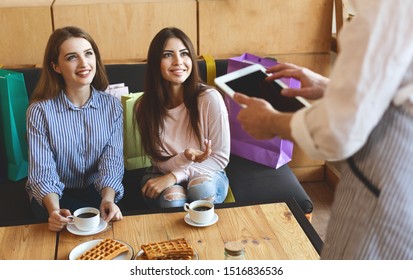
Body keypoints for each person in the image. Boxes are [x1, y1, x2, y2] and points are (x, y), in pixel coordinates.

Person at [233, 0, 413, 259]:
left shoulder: (387, 8)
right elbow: (390, 90)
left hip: (385, 195)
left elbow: (339, 130)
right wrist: (330, 86)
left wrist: (271, 122)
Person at [26, 26, 124, 232]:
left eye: (88, 54)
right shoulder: (39, 111)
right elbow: (42, 171)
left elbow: (112, 161)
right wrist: (54, 210)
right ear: (56, 66)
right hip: (54, 195)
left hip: (97, 191)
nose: (84, 63)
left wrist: (108, 198)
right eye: (72, 57)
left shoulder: (112, 106)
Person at [134, 27, 230, 208]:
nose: (178, 61)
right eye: (168, 55)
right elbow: (158, 161)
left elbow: (219, 159)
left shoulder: (209, 98)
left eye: (184, 53)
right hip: (161, 172)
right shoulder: (144, 106)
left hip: (207, 172)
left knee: (201, 190)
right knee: (173, 199)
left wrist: (176, 176)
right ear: (156, 62)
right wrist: (185, 156)